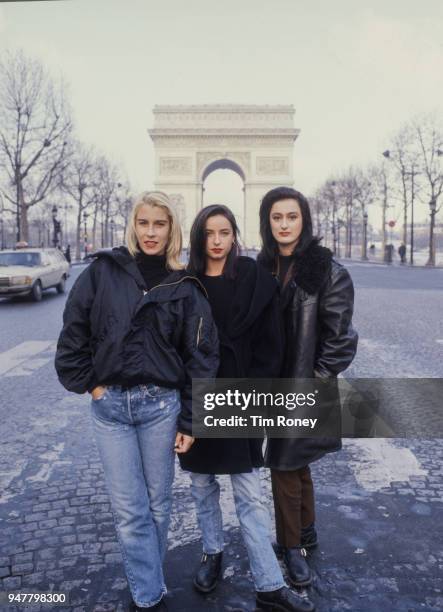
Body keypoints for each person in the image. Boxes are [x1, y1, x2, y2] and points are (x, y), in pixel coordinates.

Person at [55, 191, 219, 611]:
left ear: (171, 229)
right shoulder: (101, 272)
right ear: (133, 225)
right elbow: (73, 332)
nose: (150, 232)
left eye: (159, 224)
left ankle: (148, 583)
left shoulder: (185, 286)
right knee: (131, 511)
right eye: (144, 223)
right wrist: (91, 386)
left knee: (158, 505)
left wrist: (191, 421)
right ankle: (150, 597)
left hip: (160, 408)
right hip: (110, 408)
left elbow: (201, 357)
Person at [180, 204, 315, 612]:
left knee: (248, 493)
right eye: (209, 233)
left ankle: (269, 583)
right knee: (203, 487)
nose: (217, 241)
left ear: (235, 234)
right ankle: (212, 552)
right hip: (199, 394)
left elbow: (271, 342)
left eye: (225, 232)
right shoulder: (185, 282)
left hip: (241, 395)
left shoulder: (255, 278)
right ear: (199, 237)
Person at [257, 186, 358, 588]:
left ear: (305, 220)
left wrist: (314, 382)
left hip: (303, 385)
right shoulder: (262, 267)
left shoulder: (327, 271)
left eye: (292, 217)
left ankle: (292, 547)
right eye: (276, 217)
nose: (284, 224)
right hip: (268, 384)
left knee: (283, 463)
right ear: (267, 221)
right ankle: (308, 528)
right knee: (295, 463)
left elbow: (341, 340)